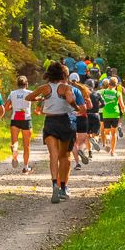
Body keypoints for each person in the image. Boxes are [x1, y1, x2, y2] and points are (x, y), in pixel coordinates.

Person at [33, 61, 81, 202]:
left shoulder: (45, 87)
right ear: (64, 75)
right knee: (65, 157)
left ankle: (54, 183)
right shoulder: (66, 87)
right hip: (65, 122)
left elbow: (28, 97)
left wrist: (41, 98)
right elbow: (71, 99)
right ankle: (63, 188)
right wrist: (75, 107)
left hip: (50, 122)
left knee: (53, 155)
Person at [7, 72, 36, 173]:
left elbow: (6, 107)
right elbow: (36, 99)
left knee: (15, 142)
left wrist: (13, 107)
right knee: (26, 146)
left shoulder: (12, 93)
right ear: (26, 84)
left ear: (17, 84)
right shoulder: (29, 93)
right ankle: (25, 167)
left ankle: (15, 150)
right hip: (26, 120)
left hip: (15, 119)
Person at [100, 74, 125, 154]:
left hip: (106, 114)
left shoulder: (103, 92)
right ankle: (112, 151)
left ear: (109, 84)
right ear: (116, 85)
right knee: (114, 133)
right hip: (115, 114)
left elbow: (96, 95)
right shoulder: (118, 93)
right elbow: (122, 105)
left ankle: (107, 140)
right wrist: (124, 110)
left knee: (107, 131)